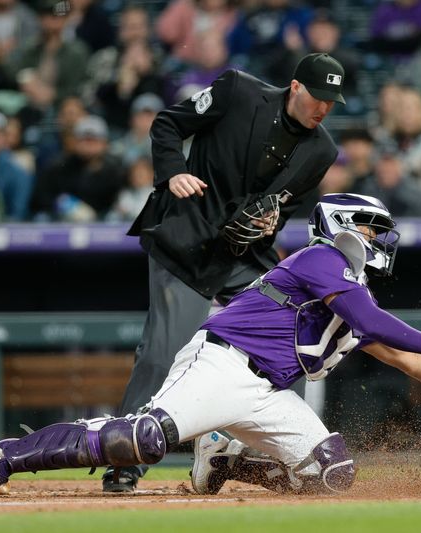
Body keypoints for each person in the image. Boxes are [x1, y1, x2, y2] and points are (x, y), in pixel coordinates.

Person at [0, 193, 421, 497]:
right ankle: (6, 455)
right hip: (221, 363)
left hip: (266, 393)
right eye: (372, 227)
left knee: (330, 475)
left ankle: (225, 460)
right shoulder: (321, 258)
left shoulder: (349, 292)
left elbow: (405, 358)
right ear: (342, 225)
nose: (381, 239)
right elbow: (376, 323)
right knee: (145, 438)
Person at [109, 53, 348, 492]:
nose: (324, 108)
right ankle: (125, 460)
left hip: (241, 255)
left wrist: (269, 223)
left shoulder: (322, 150)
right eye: (318, 97)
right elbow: (167, 123)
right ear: (295, 87)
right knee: (162, 355)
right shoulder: (239, 91)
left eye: (332, 101)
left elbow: (281, 208)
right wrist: (173, 172)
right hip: (186, 237)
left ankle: (245, 448)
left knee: (297, 336)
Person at [30, 115, 125, 221]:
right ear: (75, 142)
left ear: (104, 143)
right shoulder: (59, 167)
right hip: (64, 222)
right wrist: (66, 205)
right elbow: (40, 199)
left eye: (93, 140)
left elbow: (119, 201)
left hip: (103, 225)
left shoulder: (116, 170)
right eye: (84, 139)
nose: (88, 145)